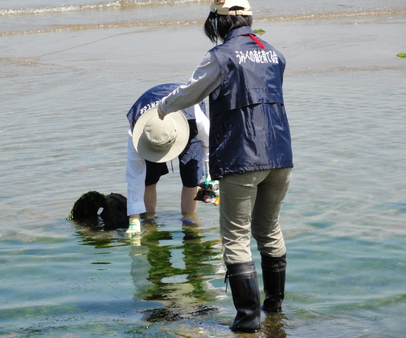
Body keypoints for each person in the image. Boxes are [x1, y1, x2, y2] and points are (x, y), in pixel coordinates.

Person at [157, 0, 293, 333]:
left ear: (218, 24)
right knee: (269, 232)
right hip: (280, 156)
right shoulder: (274, 54)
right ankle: (274, 310)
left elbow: (191, 92)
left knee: (234, 239)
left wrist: (162, 107)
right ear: (247, 18)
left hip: (242, 158)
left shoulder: (220, 56)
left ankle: (247, 321)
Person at [125, 83, 209, 235]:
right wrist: (134, 219)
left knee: (192, 176)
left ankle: (189, 220)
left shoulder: (196, 117)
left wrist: (211, 176)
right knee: (148, 179)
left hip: (187, 121)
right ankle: (148, 220)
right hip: (151, 127)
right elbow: (134, 177)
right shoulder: (138, 131)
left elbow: (210, 143)